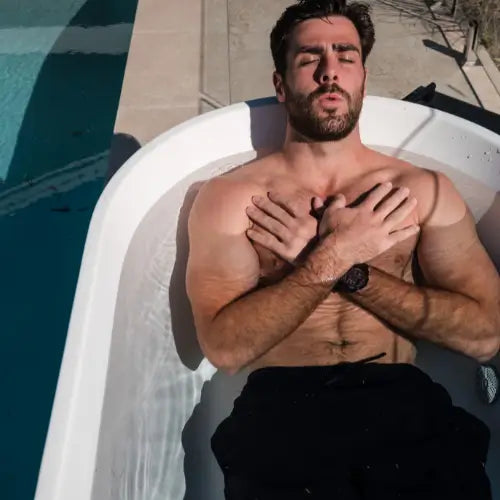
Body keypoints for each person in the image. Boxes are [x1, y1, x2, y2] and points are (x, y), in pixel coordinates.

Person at [186, 0, 500, 498]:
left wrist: (348, 269)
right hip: (282, 414)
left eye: (345, 56)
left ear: (363, 79)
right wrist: (331, 258)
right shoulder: (232, 199)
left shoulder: (420, 190)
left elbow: (485, 335)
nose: (330, 71)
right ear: (280, 84)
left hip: (403, 405)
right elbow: (225, 349)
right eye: (309, 57)